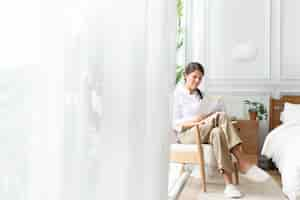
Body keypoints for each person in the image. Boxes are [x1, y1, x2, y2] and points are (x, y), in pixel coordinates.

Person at [173, 62, 270, 198]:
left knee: (218, 132)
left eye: (200, 78)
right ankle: (242, 161)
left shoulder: (200, 95)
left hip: (203, 130)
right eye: (194, 77)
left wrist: (208, 115)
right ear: (185, 75)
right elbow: (175, 123)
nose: (197, 81)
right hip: (186, 135)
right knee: (221, 117)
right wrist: (196, 120)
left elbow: (210, 115)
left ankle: (229, 185)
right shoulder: (176, 95)